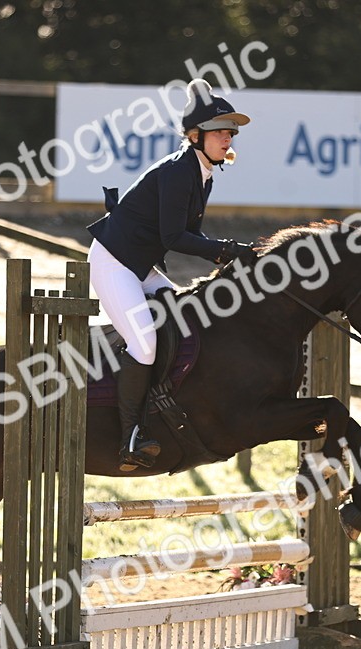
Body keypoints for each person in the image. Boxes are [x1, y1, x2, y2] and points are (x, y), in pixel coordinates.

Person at [86, 78, 258, 471]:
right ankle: (130, 435)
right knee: (144, 343)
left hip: (140, 265)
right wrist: (225, 250)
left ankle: (160, 403)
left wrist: (225, 254)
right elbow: (174, 237)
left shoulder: (204, 172)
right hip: (114, 262)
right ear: (196, 136)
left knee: (182, 317)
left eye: (230, 132)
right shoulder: (181, 170)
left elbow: (190, 235)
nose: (228, 138)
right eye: (221, 132)